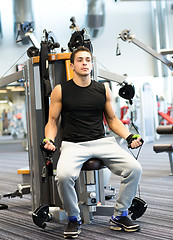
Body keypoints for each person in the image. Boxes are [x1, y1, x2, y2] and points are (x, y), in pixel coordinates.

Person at [43, 46, 143, 239]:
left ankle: (120, 215)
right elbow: (52, 122)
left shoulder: (102, 89)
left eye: (87, 60)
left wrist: (129, 136)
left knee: (134, 168)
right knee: (63, 177)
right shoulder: (60, 90)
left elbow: (112, 120)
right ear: (72, 65)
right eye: (80, 60)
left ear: (91, 64)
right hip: (74, 144)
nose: (84, 63)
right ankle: (74, 218)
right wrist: (48, 139)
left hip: (101, 141)